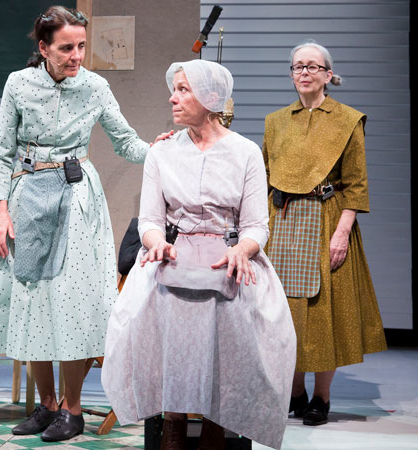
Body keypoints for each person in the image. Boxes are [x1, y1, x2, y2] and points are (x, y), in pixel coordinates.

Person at [0, 6, 167, 442]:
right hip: (27, 195)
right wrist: (0, 213)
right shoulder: (19, 84)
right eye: (66, 48)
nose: (76, 55)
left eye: (80, 46)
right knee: (34, 298)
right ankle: (47, 406)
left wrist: (163, 151)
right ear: (43, 48)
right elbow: (1, 152)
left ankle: (73, 411)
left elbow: (125, 141)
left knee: (72, 303)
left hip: (77, 199)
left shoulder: (95, 86)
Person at [102, 60, 296, 450]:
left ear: (211, 97)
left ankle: (215, 429)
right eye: (173, 89)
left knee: (251, 330)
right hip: (174, 257)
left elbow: (258, 224)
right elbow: (152, 219)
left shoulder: (245, 152)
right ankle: (171, 424)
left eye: (183, 90)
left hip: (227, 256)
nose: (173, 98)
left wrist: (242, 249)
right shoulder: (162, 152)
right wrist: (155, 242)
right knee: (142, 321)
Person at [262, 40, 387, 426]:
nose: (304, 72)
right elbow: (264, 176)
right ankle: (295, 391)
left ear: (328, 74)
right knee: (284, 310)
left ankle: (322, 396)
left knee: (323, 311)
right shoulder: (277, 121)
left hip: (326, 218)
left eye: (313, 67)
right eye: (297, 66)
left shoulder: (347, 119)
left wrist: (342, 231)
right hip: (281, 219)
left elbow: (356, 183)